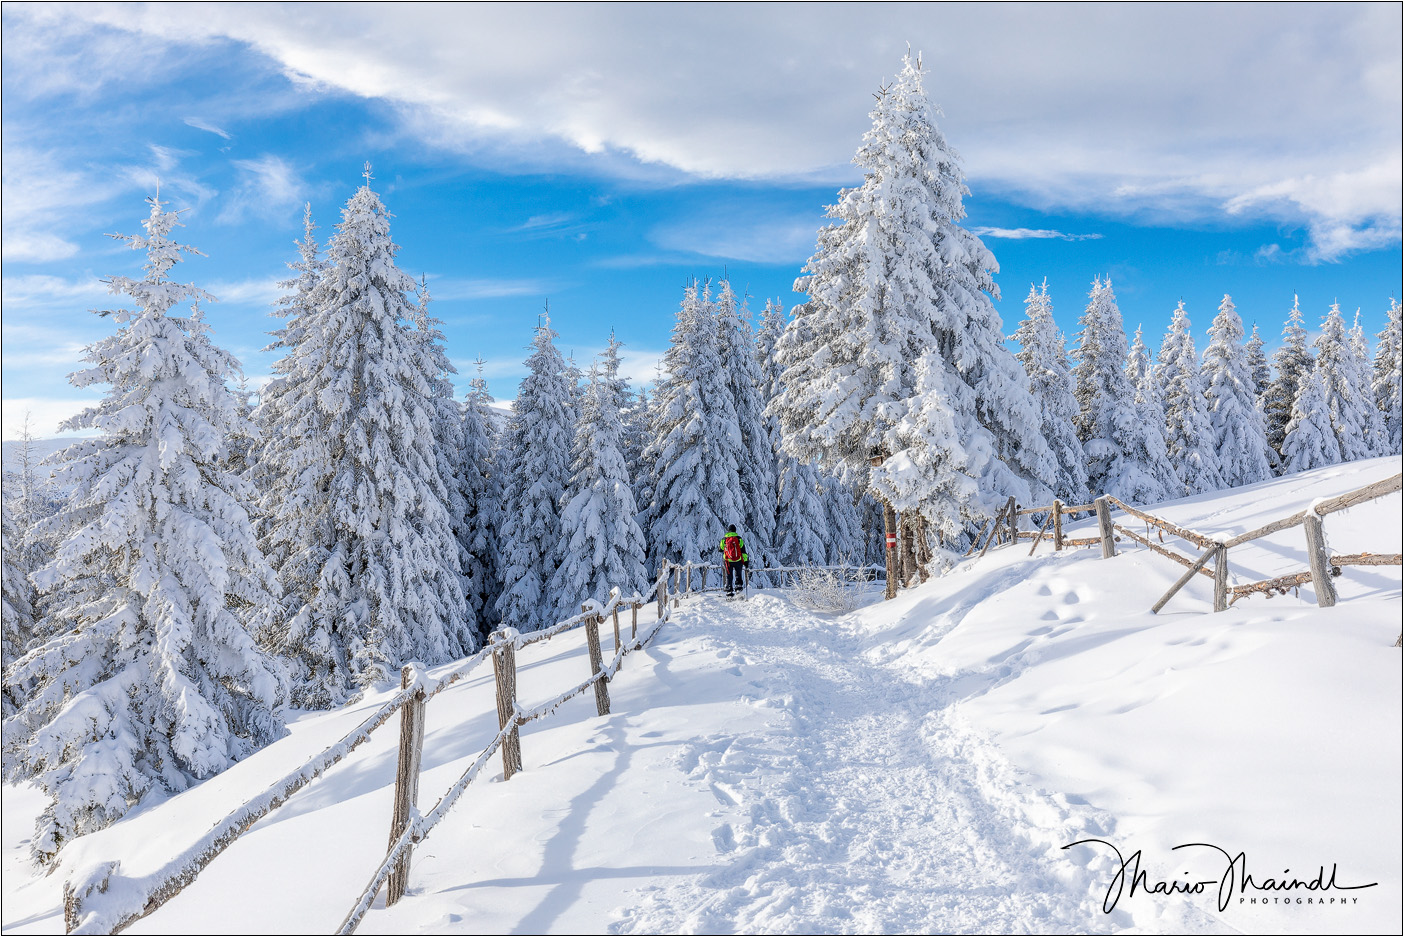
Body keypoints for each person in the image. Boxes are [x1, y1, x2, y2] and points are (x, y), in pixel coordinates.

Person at [719, 523, 746, 598]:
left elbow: (720, 549)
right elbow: (743, 550)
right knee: (738, 573)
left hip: (728, 560)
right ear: (735, 530)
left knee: (729, 575)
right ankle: (738, 587)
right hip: (738, 560)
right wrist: (745, 561)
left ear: (728, 531)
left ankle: (729, 591)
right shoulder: (739, 538)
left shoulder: (724, 539)